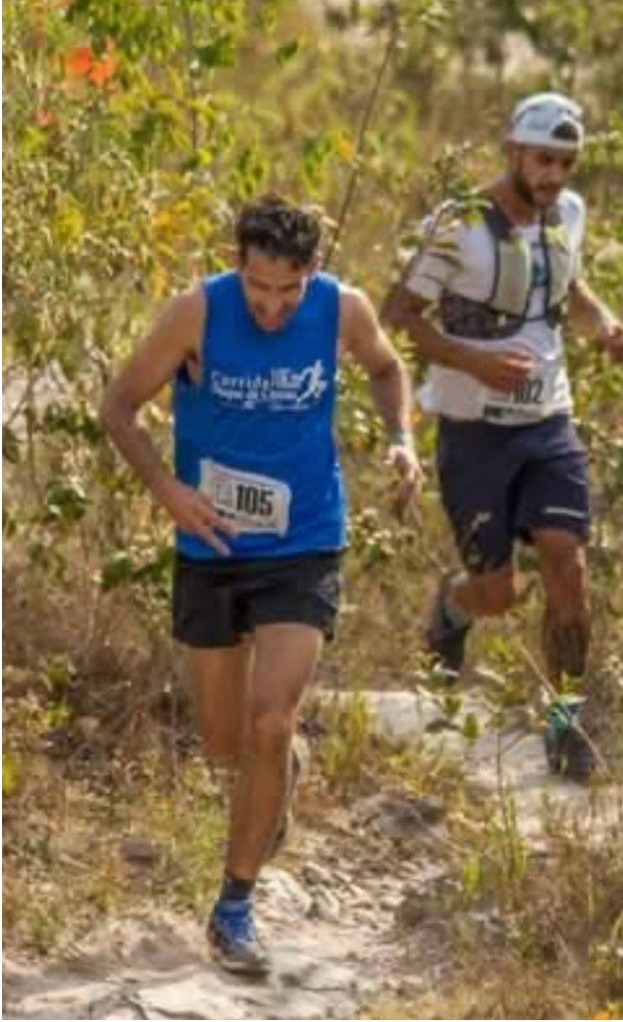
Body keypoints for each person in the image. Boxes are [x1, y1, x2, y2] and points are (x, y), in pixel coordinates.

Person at [100, 195, 422, 974]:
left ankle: (234, 906)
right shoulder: (196, 312)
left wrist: (402, 442)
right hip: (210, 542)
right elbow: (118, 405)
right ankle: (280, 777)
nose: (272, 307)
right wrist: (168, 493)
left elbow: (387, 366)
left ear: (310, 272)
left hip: (305, 539)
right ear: (238, 267)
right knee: (225, 748)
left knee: (272, 717)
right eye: (257, 290)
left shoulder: (341, 308)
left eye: (287, 290)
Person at [382, 91, 623, 783]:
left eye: (565, 161)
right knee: (500, 593)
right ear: (512, 151)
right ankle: (454, 605)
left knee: (568, 568)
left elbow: (570, 292)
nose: (553, 174)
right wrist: (475, 360)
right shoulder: (458, 222)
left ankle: (567, 719)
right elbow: (398, 313)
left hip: (549, 421)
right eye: (542, 159)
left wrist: (605, 327)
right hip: (474, 431)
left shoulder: (569, 216)